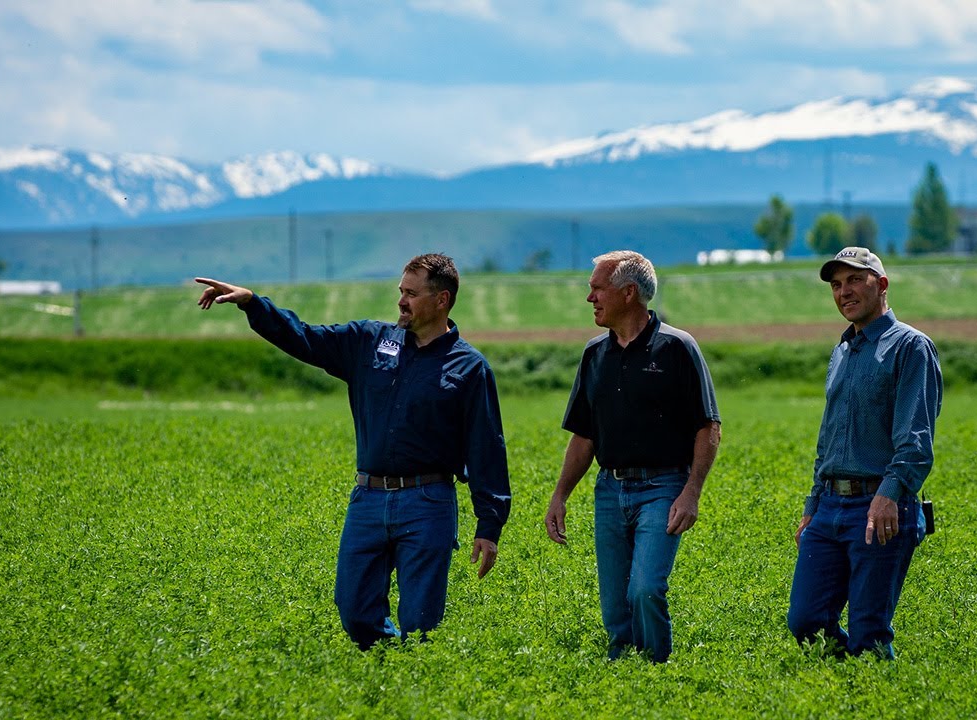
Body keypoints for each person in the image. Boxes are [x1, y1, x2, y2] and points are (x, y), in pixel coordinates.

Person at [194, 253, 510, 650]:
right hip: (368, 499)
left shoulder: (469, 367)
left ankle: (416, 689)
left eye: (411, 294)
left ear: (442, 300)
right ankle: (386, 666)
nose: (401, 301)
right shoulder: (369, 342)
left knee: (422, 621)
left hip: (428, 502)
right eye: (401, 291)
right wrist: (253, 304)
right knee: (355, 610)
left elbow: (487, 449)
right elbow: (305, 338)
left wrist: (489, 525)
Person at [545, 250, 721, 663]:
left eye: (597, 288)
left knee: (644, 588)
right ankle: (624, 675)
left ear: (628, 293)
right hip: (609, 489)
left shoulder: (678, 348)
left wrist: (691, 492)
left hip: (664, 487)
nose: (590, 297)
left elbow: (707, 427)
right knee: (614, 604)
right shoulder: (594, 354)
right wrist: (560, 496)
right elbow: (584, 436)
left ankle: (657, 671)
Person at [787, 246, 942, 660]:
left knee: (869, 632)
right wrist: (813, 504)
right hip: (830, 508)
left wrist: (890, 495)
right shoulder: (842, 351)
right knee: (805, 621)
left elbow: (916, 437)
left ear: (882, 284)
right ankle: (848, 687)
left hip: (880, 506)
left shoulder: (910, 347)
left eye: (855, 280)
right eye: (837, 285)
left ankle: (874, 693)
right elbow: (829, 438)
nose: (844, 292)